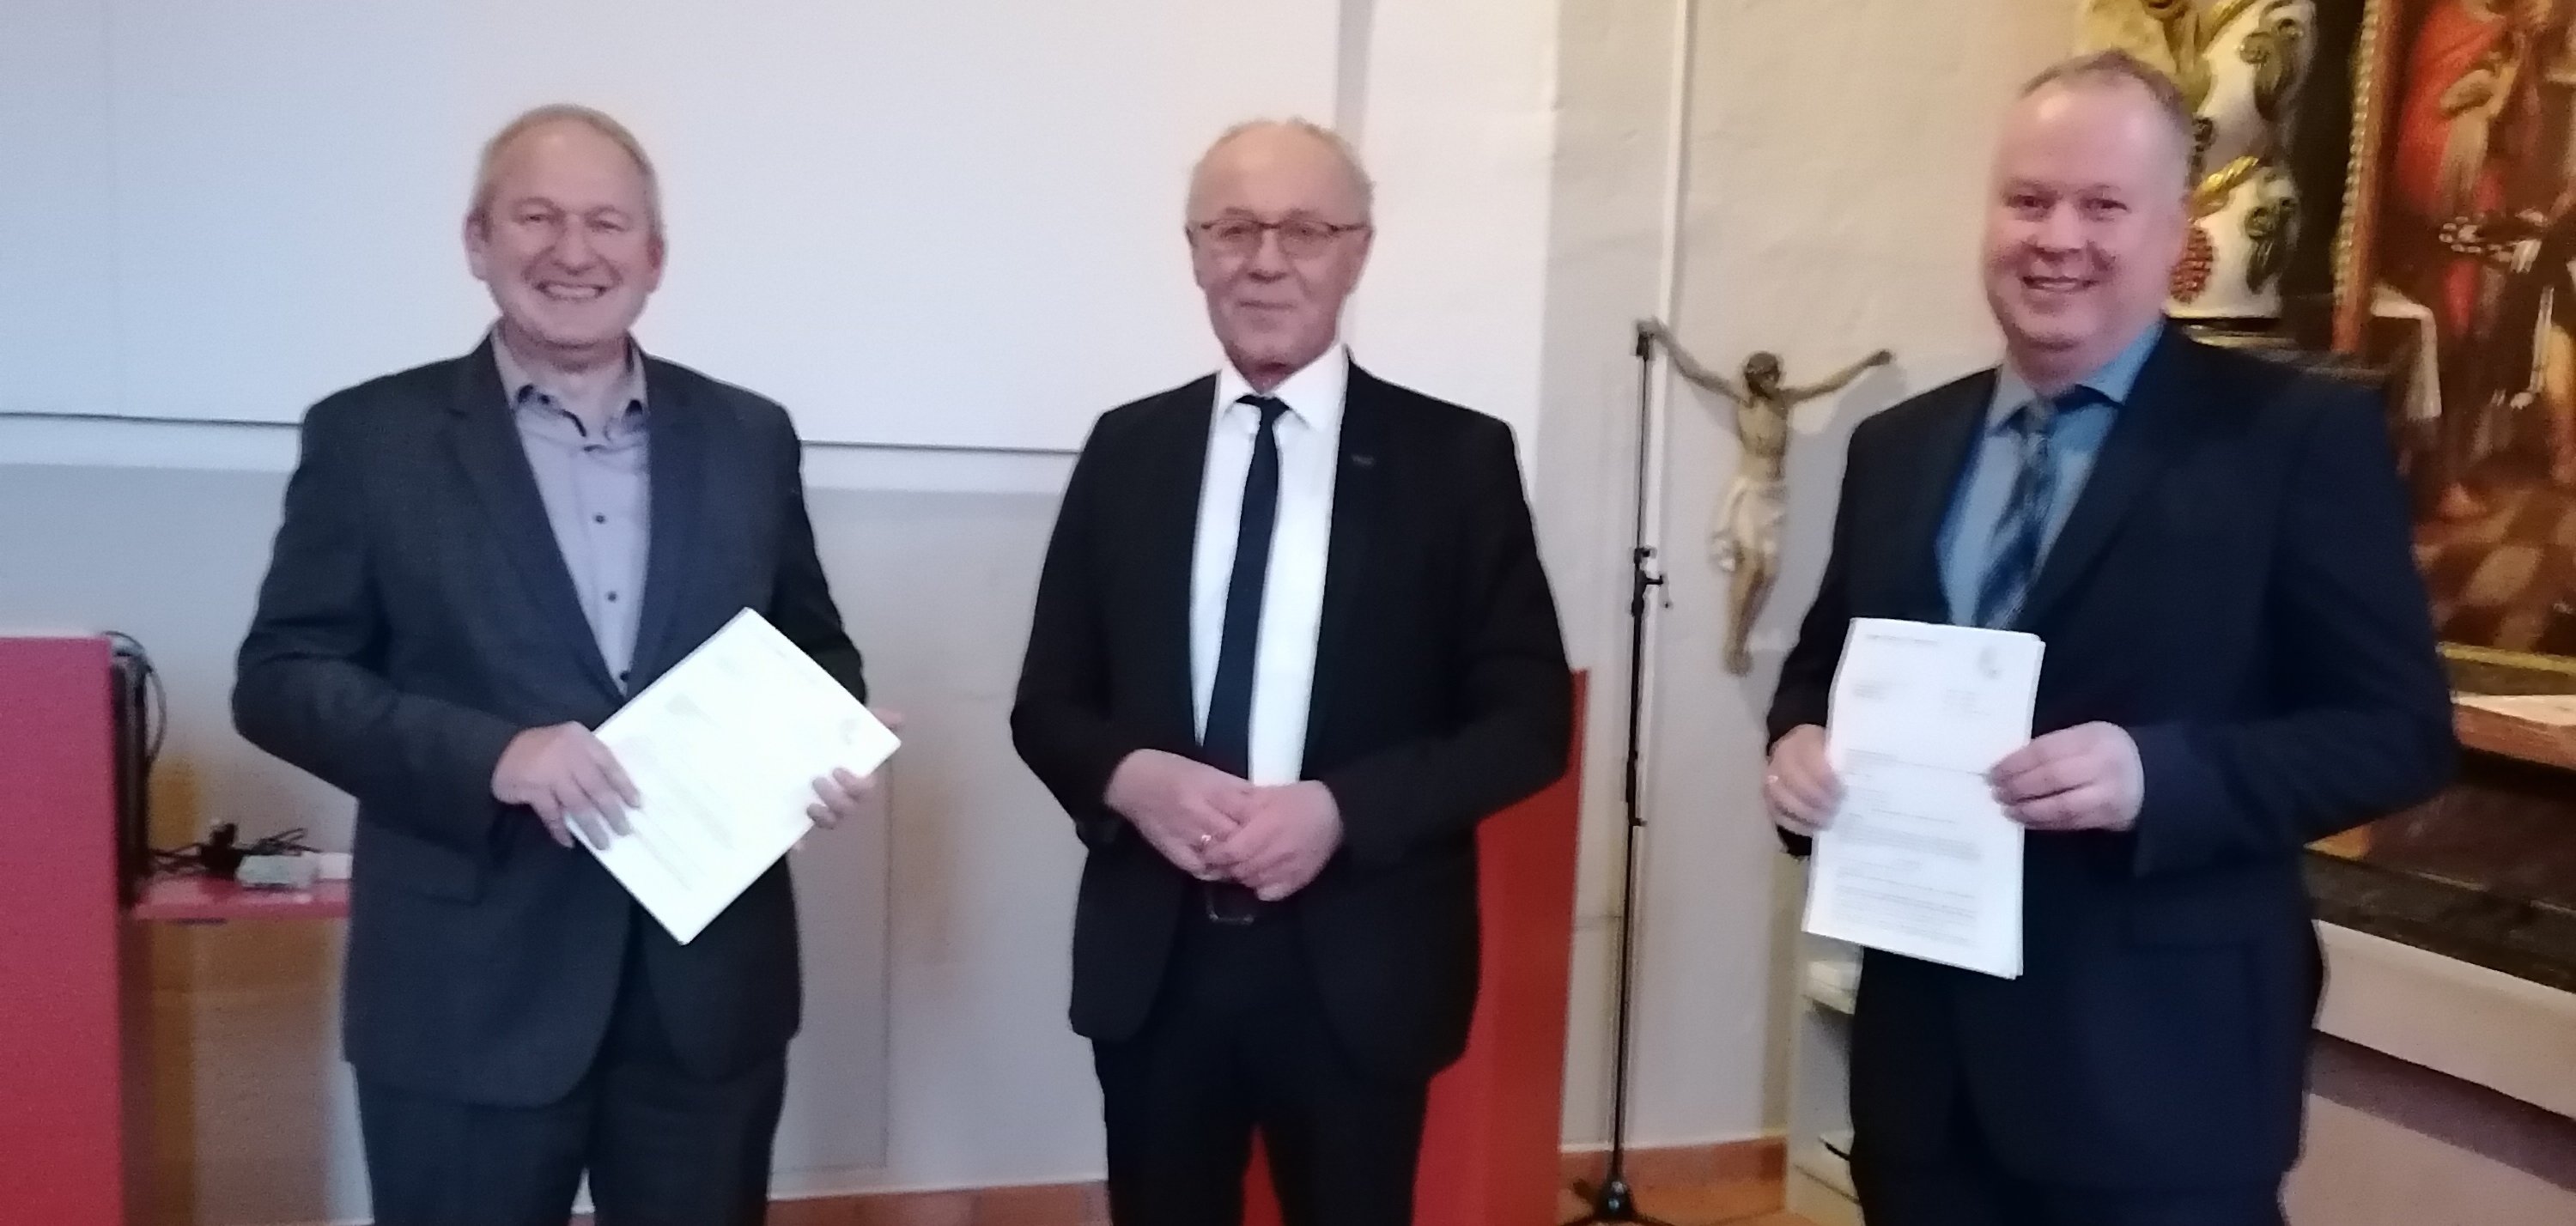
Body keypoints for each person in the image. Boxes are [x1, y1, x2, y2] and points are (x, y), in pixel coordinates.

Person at [1762, 52, 2455, 1226]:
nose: (2058, 239)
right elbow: (1822, 673)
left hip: (2161, 1085)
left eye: (2103, 206)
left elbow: (2398, 732)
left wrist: (2159, 776)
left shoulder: (2294, 439)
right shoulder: (1897, 448)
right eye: (2028, 200)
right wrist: (1795, 750)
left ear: (2173, 231)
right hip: (1925, 1086)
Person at [232, 104, 882, 1226]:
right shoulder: (369, 438)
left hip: (704, 999)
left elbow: (812, 648)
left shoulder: (749, 436)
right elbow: (281, 678)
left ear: (654, 256)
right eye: (536, 217)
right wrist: (493, 756)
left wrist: (818, 750)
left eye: (606, 223)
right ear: (477, 241)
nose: (573, 252)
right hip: (465, 994)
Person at [1009, 118, 1572, 1226]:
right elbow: (1048, 706)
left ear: (1357, 253)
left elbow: (1528, 722)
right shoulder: (1127, 451)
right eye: (1234, 230)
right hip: (1157, 964)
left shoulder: (1457, 460)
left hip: (1360, 964)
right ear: (1195, 253)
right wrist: (1131, 778)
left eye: (1304, 231)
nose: (1265, 261)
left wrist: (1340, 811)